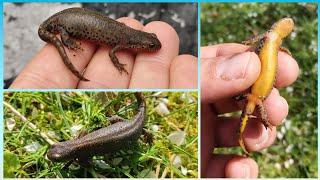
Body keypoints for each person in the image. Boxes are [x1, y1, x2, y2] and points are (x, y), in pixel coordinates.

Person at [9, 17, 197, 89]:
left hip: (71, 19)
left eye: (150, 45)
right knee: (65, 42)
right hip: (64, 24)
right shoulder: (124, 41)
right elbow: (111, 55)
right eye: (149, 46)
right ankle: (67, 41)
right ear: (138, 43)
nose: (152, 48)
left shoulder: (126, 38)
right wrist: (65, 41)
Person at [201, 43, 299, 178]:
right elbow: (261, 114)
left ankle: (242, 140)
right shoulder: (257, 102)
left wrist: (265, 121)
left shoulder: (251, 99)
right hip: (256, 95)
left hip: (254, 94)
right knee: (249, 124)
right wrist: (265, 121)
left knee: (248, 123)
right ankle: (242, 140)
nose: (247, 110)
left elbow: (252, 108)